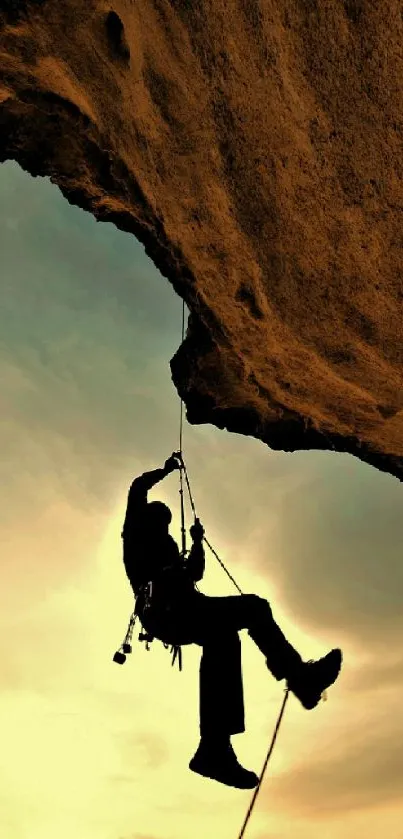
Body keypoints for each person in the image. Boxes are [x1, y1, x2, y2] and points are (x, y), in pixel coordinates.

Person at [121, 453, 342, 790]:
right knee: (253, 609)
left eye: (166, 520)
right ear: (148, 516)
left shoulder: (165, 546)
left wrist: (196, 544)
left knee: (224, 639)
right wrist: (165, 471)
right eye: (160, 517)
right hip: (167, 612)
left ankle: (214, 748)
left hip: (183, 609)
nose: (164, 523)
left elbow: (194, 573)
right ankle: (300, 679)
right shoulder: (135, 533)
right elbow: (138, 487)